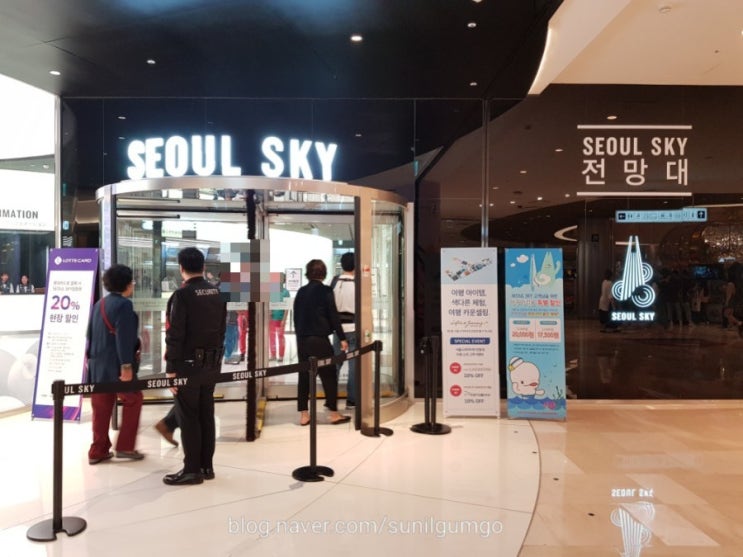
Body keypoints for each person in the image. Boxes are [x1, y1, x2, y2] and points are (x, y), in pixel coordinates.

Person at [163, 247, 226, 485]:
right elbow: (221, 330)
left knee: (188, 416)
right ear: (203, 267)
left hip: (187, 366)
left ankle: (191, 469)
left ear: (181, 268)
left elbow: (175, 335)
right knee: (206, 414)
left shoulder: (182, 295)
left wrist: (171, 368)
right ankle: (206, 466)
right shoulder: (217, 293)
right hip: (212, 364)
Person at [86, 264, 144, 464]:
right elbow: (123, 338)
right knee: (134, 399)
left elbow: (90, 334)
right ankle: (125, 446)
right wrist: (126, 366)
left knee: (101, 408)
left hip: (97, 366)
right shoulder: (124, 305)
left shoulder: (99, 304)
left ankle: (98, 450)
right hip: (117, 366)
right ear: (127, 284)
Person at [293, 259, 350, 426]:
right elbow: (333, 315)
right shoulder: (325, 290)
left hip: (302, 339)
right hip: (320, 339)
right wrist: (342, 337)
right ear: (323, 273)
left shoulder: (301, 291)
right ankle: (333, 413)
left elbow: (296, 316)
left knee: (304, 376)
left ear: (308, 273)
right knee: (329, 375)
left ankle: (304, 415)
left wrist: (299, 335)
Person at [333, 252, 357, 408]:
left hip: (338, 329)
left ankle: (331, 398)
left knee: (335, 363)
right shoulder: (358, 283)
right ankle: (352, 400)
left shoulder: (334, 281)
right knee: (354, 365)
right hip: (354, 327)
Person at [269, 274, 290, 363]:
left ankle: (281, 355)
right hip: (272, 319)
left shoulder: (286, 292)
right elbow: (270, 304)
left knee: (280, 337)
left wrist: (284, 319)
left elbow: (287, 307)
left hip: (280, 318)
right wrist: (269, 314)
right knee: (272, 337)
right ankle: (273, 355)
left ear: (283, 281)